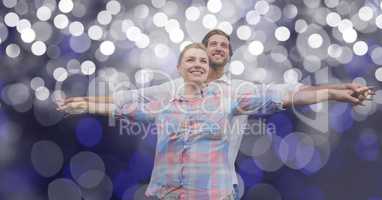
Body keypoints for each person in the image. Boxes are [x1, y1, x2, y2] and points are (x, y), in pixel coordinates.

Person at [60, 29, 374, 200]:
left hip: (215, 190)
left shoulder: (234, 94)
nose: (216, 50)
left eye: (224, 45)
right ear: (182, 65)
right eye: (211, 46)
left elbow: (285, 95)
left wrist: (334, 91)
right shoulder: (166, 95)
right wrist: (83, 102)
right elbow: (122, 102)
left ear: (224, 57)